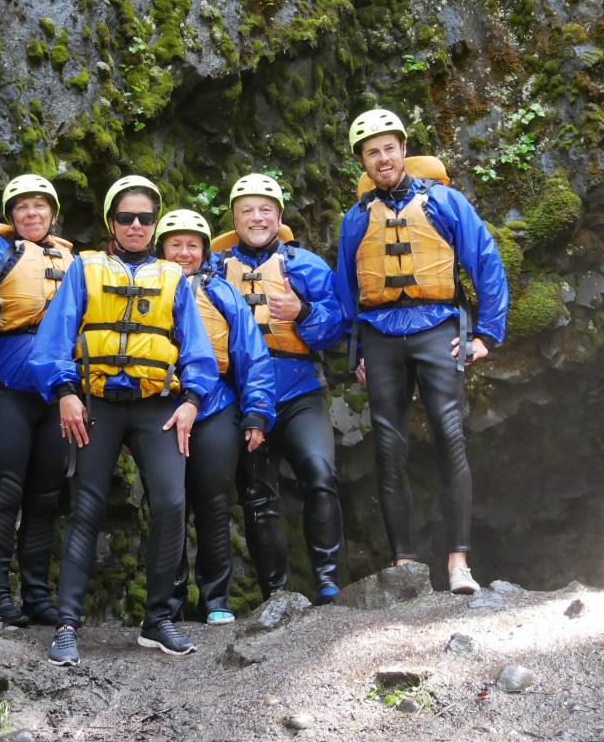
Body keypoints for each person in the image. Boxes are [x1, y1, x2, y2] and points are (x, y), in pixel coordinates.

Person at [30, 175, 219, 667]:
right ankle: (67, 624)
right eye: (127, 217)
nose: (136, 225)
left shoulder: (173, 278)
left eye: (145, 218)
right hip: (96, 405)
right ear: (112, 223)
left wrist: (192, 401)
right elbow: (55, 337)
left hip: (158, 404)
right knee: (87, 505)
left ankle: (157, 620)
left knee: (173, 503)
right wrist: (65, 393)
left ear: (155, 226)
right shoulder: (84, 270)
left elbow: (197, 350)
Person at [335, 108, 509, 593]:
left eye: (389, 147)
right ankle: (406, 564)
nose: (383, 157)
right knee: (389, 449)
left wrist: (485, 336)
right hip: (381, 336)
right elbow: (347, 288)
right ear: (363, 163)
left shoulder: (445, 202)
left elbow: (486, 263)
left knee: (450, 436)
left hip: (437, 327)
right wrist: (358, 352)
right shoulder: (355, 220)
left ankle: (458, 563)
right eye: (373, 152)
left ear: (403, 150)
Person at [216, 173, 345, 605]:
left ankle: (327, 578)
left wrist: (302, 310)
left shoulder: (304, 265)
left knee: (319, 473)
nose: (257, 217)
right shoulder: (216, 271)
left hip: (299, 391)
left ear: (279, 216)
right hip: (242, 395)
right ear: (234, 218)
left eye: (265, 209)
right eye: (247, 210)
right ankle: (276, 592)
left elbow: (338, 327)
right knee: (257, 495)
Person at [156, 209, 276, 625]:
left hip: (216, 405)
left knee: (213, 503)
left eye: (192, 245)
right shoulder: (145, 288)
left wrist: (257, 412)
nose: (185, 253)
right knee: (168, 505)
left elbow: (251, 353)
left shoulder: (221, 292)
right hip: (162, 407)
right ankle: (168, 602)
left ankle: (215, 600)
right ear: (162, 250)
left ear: (205, 251)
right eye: (176, 245)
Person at [0, 175, 74, 626]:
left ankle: (36, 595)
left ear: (53, 214)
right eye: (22, 207)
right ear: (11, 215)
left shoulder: (76, 261)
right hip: (7, 390)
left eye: (40, 206)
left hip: (56, 397)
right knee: (5, 493)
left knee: (46, 497)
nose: (31, 214)